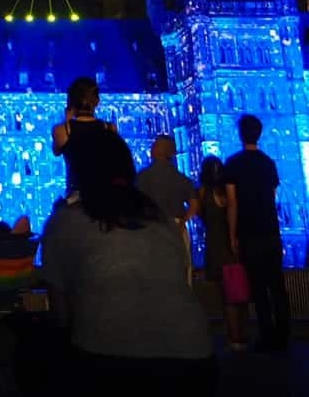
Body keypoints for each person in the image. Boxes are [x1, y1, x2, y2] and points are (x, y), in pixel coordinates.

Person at [41, 124, 213, 391]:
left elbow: (61, 317)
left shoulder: (65, 221)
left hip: (109, 359)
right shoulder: (161, 222)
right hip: (194, 356)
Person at [224, 114, 290, 352]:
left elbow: (232, 203)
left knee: (259, 287)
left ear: (240, 134)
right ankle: (284, 334)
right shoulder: (268, 163)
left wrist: (232, 235)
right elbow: (272, 196)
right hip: (270, 230)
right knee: (277, 285)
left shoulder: (233, 164)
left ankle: (267, 335)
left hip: (249, 232)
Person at [197, 155, 247, 352]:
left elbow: (203, 218)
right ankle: (242, 334)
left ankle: (233, 336)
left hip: (216, 247)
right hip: (234, 247)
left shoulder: (202, 193)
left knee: (226, 295)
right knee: (239, 292)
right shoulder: (230, 192)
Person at [136, 134, 198, 283]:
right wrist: (183, 221)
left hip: (152, 228)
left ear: (158, 151)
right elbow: (195, 204)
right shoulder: (181, 178)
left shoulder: (143, 177)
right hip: (177, 227)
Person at [51, 76, 115, 196]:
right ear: (96, 101)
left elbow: (56, 151)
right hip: (104, 196)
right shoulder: (110, 128)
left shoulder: (62, 131)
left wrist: (68, 121)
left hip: (75, 198)